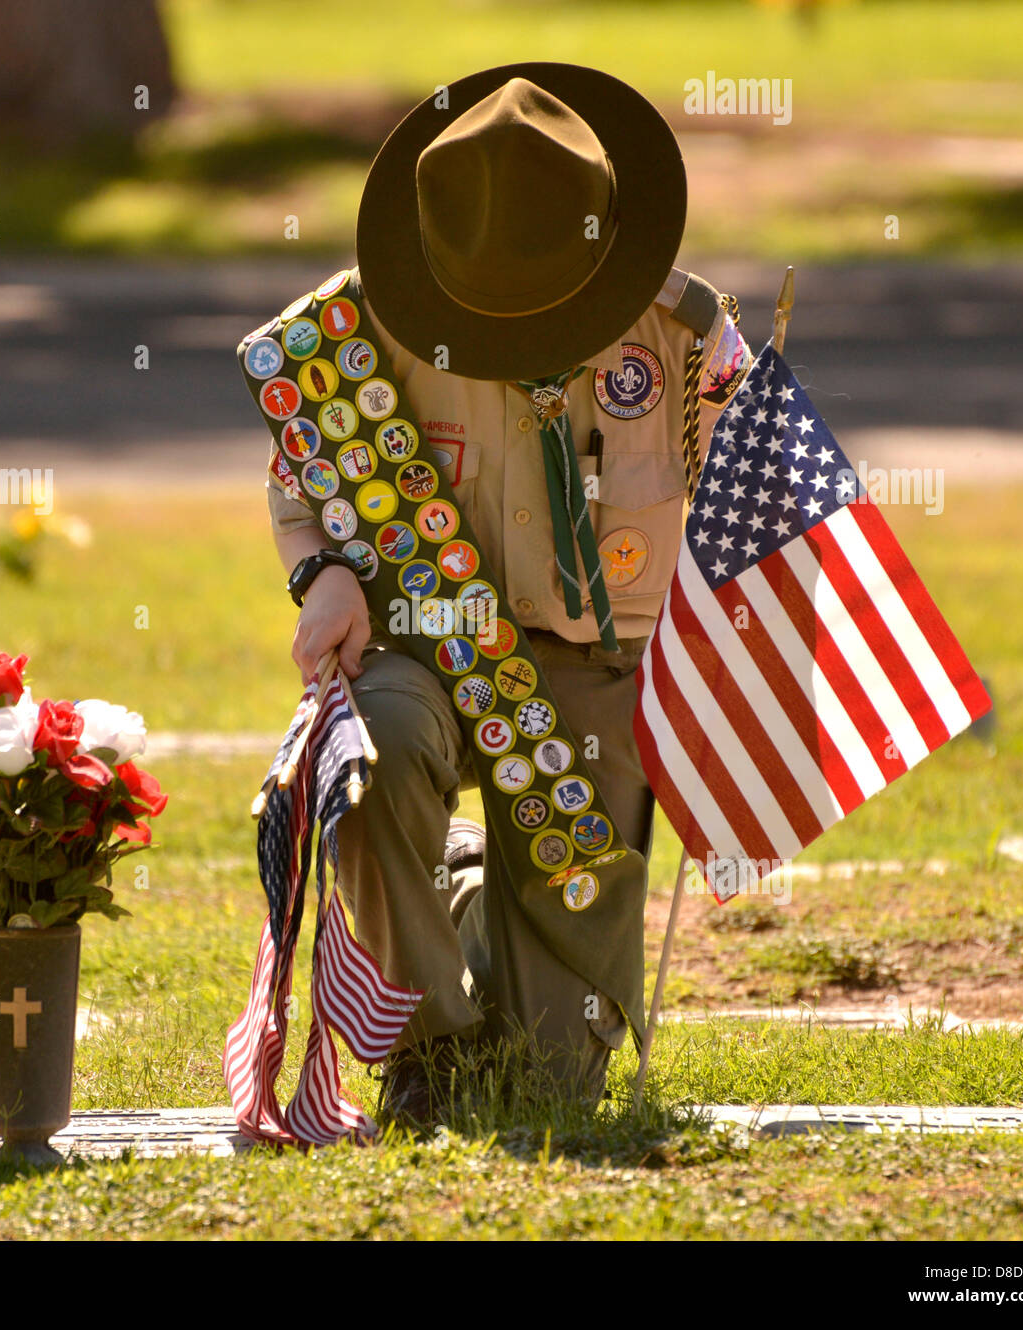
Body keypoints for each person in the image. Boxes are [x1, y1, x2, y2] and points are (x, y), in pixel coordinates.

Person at [248, 62, 749, 1127]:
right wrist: (322, 572)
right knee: (366, 759)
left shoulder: (687, 339)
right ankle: (428, 1037)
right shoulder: (354, 332)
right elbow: (303, 480)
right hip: (424, 640)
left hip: (594, 661)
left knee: (549, 1084)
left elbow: (746, 529)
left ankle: (474, 892)